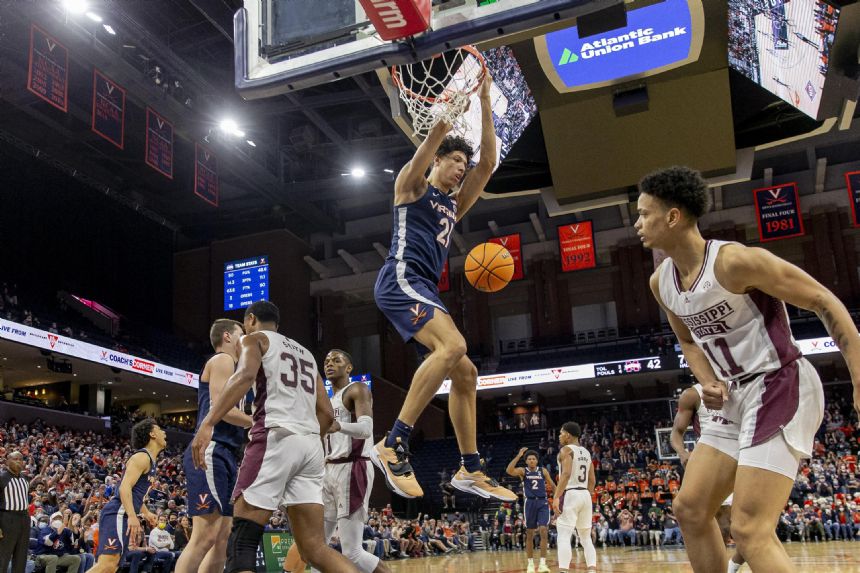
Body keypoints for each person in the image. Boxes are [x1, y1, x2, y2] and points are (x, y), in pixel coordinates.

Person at [635, 165, 858, 572]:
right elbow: (687, 339)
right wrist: (707, 380)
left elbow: (824, 301)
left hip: (779, 381)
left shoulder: (734, 262)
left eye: (644, 213)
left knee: (750, 528)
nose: (637, 224)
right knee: (690, 509)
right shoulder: (661, 282)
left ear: (672, 217)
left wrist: (859, 377)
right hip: (733, 396)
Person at [371, 73, 515, 503]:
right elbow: (432, 139)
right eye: (455, 162)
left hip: (423, 288)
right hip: (399, 277)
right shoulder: (411, 186)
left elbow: (488, 163)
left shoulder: (454, 203)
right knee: (452, 346)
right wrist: (446, 119)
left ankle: (470, 468)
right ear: (439, 162)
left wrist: (486, 100)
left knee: (466, 372)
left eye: (462, 167)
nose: (461, 170)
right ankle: (394, 442)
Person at [191, 300, 359, 573]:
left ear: (251, 320)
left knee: (241, 542)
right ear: (278, 325)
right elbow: (328, 413)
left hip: (276, 437)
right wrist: (307, 442)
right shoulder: (306, 353)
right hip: (311, 447)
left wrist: (208, 422)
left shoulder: (254, 340)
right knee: (315, 549)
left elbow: (244, 375)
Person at [284, 349, 392, 573]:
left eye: (336, 360)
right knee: (316, 548)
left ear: (349, 367)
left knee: (352, 551)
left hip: (353, 467)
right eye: (326, 361)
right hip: (328, 470)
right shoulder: (325, 400)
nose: (329, 363)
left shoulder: (357, 389)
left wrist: (339, 426)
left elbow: (366, 429)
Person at [176, 319, 252, 573]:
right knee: (205, 536)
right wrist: (257, 422)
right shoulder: (223, 360)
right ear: (228, 337)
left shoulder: (238, 370)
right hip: (212, 449)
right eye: (241, 334)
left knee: (222, 539)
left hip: (227, 453)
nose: (245, 339)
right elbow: (222, 408)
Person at [671, 383, 745, 572]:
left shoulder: (744, 383)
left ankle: (733, 565)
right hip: (713, 458)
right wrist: (682, 453)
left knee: (748, 528)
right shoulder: (692, 394)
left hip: (746, 453)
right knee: (719, 523)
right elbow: (676, 433)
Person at [88, 419, 165, 573]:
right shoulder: (142, 457)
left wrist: (146, 512)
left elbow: (134, 494)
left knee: (112, 566)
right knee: (107, 565)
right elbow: (124, 488)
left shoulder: (150, 460)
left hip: (121, 514)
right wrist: (132, 516)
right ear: (152, 434)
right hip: (117, 513)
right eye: (160, 429)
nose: (164, 432)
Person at [553, 422, 596, 572]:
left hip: (571, 493)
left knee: (563, 535)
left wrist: (556, 497)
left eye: (561, 433)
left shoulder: (566, 450)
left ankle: (564, 570)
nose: (559, 436)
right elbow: (592, 480)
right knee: (586, 537)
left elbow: (565, 474)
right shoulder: (586, 452)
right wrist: (587, 496)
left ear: (568, 435)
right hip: (585, 494)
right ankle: (591, 569)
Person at [506, 447, 556, 573]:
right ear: (526, 461)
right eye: (529, 459)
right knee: (529, 533)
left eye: (534, 459)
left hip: (543, 502)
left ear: (537, 461)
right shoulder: (523, 471)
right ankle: (530, 564)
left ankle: (543, 564)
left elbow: (552, 485)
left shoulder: (543, 471)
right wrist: (518, 455)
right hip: (530, 503)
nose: (532, 461)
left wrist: (557, 499)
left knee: (544, 530)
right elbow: (509, 470)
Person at [0, 451, 30, 573]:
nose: (18, 461)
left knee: (21, 556)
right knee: (3, 556)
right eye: (15, 459)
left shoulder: (25, 478)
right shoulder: (2, 478)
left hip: (24, 517)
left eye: (20, 459)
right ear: (7, 461)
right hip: (7, 518)